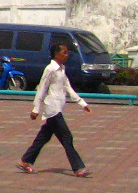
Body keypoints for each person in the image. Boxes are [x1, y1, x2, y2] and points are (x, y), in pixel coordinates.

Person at [19, 42, 91, 176]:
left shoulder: (62, 69)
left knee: (43, 137)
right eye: (64, 52)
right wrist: (36, 108)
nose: (67, 55)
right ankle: (78, 168)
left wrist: (82, 103)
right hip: (52, 110)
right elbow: (42, 88)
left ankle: (25, 160)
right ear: (56, 54)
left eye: (67, 52)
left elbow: (68, 87)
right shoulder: (50, 69)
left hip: (58, 108)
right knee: (67, 138)